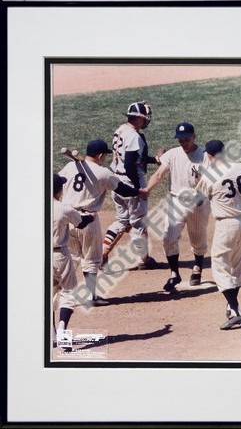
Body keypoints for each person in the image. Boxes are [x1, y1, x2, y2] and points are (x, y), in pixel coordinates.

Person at [58, 139, 141, 306]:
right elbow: (123, 190)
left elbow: (56, 183)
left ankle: (59, 293)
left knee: (72, 257)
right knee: (91, 260)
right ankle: (90, 297)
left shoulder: (69, 167)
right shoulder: (103, 172)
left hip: (66, 219)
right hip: (87, 221)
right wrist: (138, 191)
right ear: (100, 155)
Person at [195, 140, 241, 330]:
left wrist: (197, 181)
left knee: (219, 265)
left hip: (226, 225)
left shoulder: (210, 175)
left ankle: (235, 310)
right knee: (236, 265)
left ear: (209, 156)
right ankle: (231, 305)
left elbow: (197, 202)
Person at [141, 121, 210, 292]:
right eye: (180, 140)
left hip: (198, 202)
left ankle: (197, 267)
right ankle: (174, 274)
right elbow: (159, 174)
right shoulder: (172, 154)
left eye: (186, 139)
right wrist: (148, 189)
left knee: (197, 237)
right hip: (176, 200)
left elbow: (210, 179)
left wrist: (201, 195)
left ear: (194, 137)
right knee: (168, 237)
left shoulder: (204, 155)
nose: (183, 143)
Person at [102, 101, 164, 271]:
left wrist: (154, 160)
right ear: (138, 118)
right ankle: (144, 260)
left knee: (121, 220)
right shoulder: (134, 136)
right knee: (138, 224)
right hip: (130, 182)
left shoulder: (121, 129)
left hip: (117, 182)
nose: (147, 121)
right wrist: (139, 189)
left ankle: (102, 252)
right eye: (145, 118)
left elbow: (133, 157)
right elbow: (130, 164)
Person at [52, 173, 94, 337]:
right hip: (60, 256)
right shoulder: (63, 208)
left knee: (47, 294)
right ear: (59, 190)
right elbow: (81, 222)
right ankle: (62, 330)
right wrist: (90, 217)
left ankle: (52, 334)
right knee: (68, 292)